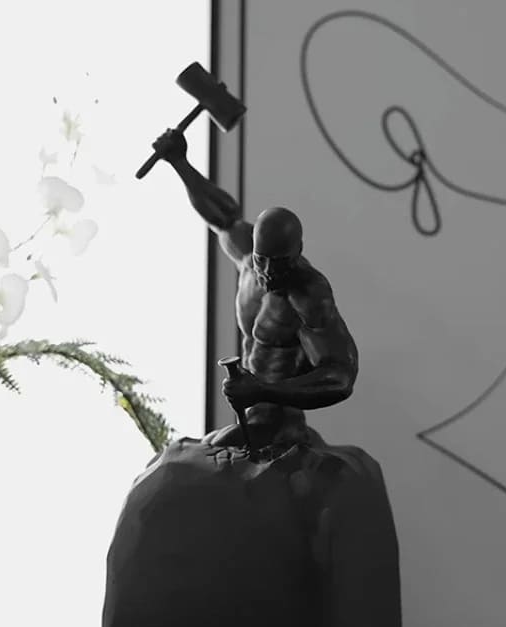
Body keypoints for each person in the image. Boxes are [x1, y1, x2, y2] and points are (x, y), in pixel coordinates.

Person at [153, 128, 359, 450]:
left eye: (280, 263)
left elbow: (340, 376)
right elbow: (223, 218)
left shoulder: (308, 296)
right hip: (247, 416)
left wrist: (263, 390)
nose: (269, 273)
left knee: (195, 459)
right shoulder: (249, 260)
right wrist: (180, 162)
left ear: (298, 252)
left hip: (279, 424)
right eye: (263, 260)